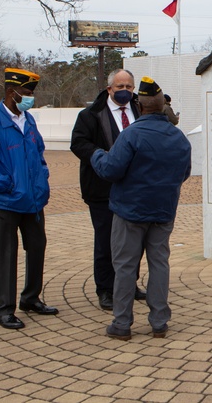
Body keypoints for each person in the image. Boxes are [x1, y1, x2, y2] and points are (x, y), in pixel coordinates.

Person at [90, 76, 192, 340]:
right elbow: (184, 173)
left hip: (130, 211)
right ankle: (159, 321)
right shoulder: (179, 138)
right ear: (161, 106)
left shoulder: (131, 135)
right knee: (159, 264)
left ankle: (122, 324)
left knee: (124, 266)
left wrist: (97, 155)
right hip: (163, 211)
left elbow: (110, 170)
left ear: (141, 105)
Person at [0, 67, 57, 330]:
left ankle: (30, 299)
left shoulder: (28, 120)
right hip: (6, 201)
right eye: (27, 93)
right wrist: (4, 184)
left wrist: (42, 177)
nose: (31, 98)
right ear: (11, 93)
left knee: (37, 246)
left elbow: (38, 153)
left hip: (32, 200)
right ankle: (4, 309)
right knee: (7, 255)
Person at [70, 68, 147, 311]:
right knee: (106, 241)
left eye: (129, 87)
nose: (125, 91)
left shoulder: (140, 110)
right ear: (109, 89)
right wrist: (101, 157)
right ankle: (105, 289)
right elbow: (79, 143)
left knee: (134, 240)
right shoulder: (90, 115)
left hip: (134, 189)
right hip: (102, 190)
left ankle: (128, 284)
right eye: (120, 87)